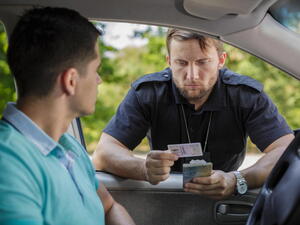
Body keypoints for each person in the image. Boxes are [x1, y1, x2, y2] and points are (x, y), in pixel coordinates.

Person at [92, 28, 294, 200]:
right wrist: (143, 169)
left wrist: (237, 179)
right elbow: (104, 153)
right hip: (163, 198)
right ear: (169, 61)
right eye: (181, 63)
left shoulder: (245, 95)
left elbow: (286, 149)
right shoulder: (148, 93)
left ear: (221, 60)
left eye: (202, 62)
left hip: (223, 201)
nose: (192, 75)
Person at [0, 7, 135, 225]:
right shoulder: (8, 164)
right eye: (95, 70)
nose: (98, 80)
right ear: (71, 80)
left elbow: (109, 206)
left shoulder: (68, 145)